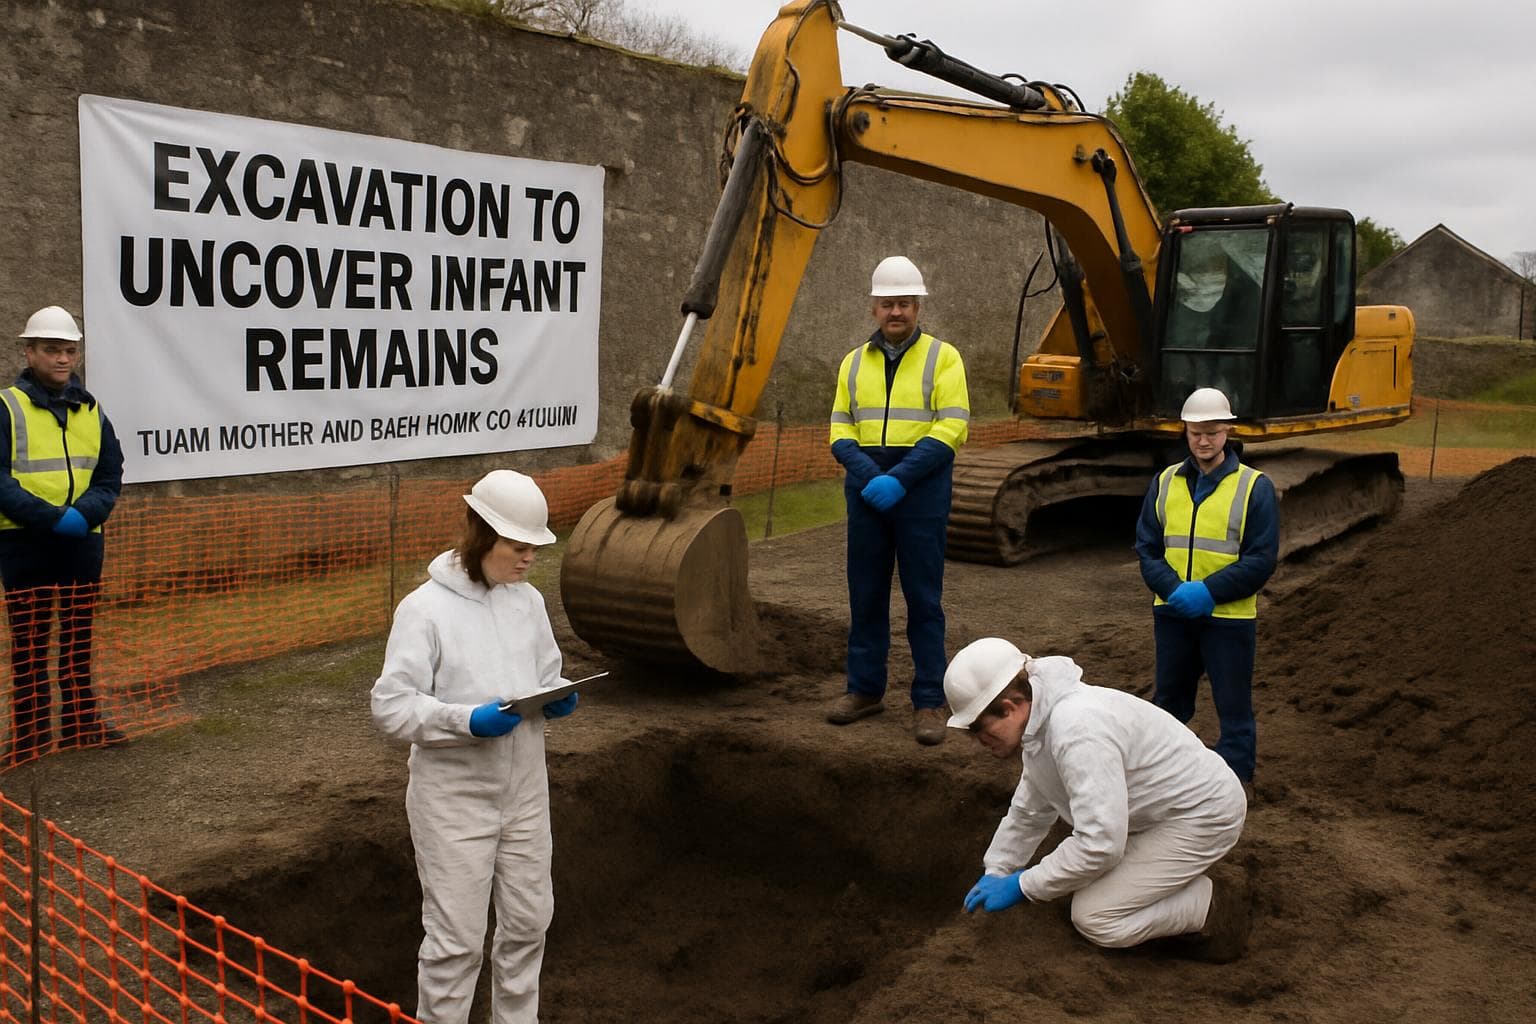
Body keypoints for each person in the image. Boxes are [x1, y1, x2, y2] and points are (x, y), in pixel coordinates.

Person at [370, 470, 580, 1024]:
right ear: (481, 534)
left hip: (525, 795)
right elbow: (390, 705)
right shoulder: (425, 610)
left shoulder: (527, 602)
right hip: (454, 803)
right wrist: (466, 721)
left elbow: (546, 672)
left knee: (529, 924)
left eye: (534, 547)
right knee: (457, 942)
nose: (527, 558)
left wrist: (556, 696)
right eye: (518, 546)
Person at [945, 637, 1251, 962]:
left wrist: (1023, 884)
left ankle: (1210, 904)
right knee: (1087, 878)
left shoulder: (1077, 731)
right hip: (1157, 811)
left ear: (1009, 708)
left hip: (1203, 814)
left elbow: (1101, 844)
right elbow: (1031, 809)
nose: (979, 742)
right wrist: (998, 868)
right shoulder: (1043, 724)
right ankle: (1172, 881)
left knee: (1095, 915)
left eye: (979, 729)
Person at [826, 255, 970, 746]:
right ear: (873, 308)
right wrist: (870, 476)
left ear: (918, 306)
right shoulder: (852, 361)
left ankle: (930, 699)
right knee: (865, 595)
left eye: (905, 303)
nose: (897, 312)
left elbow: (952, 426)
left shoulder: (943, 357)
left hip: (921, 491)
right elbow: (840, 427)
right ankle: (864, 690)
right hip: (867, 492)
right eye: (888, 303)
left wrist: (900, 479)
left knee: (923, 601)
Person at [1134, 387, 1278, 796]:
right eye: (1196, 431)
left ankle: (1237, 778)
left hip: (1228, 619)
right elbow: (1147, 547)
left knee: (1232, 704)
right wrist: (1173, 589)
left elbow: (1261, 559)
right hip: (1173, 613)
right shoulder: (1164, 483)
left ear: (1227, 432)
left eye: (1212, 431)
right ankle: (1158, 771)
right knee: (1170, 702)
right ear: (1185, 431)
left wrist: (1208, 592)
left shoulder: (1255, 488)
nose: (1203, 440)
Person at [1, 306, 126, 766]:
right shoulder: (7, 408)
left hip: (81, 542)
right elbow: (0, 480)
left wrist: (82, 514)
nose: (62, 359)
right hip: (25, 543)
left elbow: (110, 475)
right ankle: (29, 736)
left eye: (69, 350)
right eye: (51, 350)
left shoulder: (91, 410)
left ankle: (80, 725)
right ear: (29, 352)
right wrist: (49, 517)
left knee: (77, 640)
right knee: (29, 643)